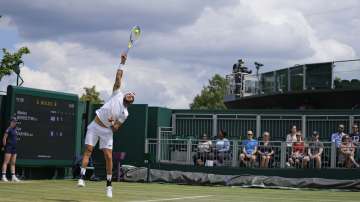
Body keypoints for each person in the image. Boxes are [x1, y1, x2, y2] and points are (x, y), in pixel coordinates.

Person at [77, 53, 135, 198]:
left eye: (132, 97)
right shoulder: (117, 93)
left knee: (108, 157)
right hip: (95, 125)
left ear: (131, 102)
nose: (130, 96)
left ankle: (109, 186)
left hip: (107, 131)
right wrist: (122, 63)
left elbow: (116, 128)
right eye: (129, 94)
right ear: (125, 94)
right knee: (88, 150)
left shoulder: (125, 114)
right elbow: (118, 77)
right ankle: (81, 178)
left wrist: (111, 123)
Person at [1, 117, 20, 182]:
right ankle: (3, 176)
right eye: (14, 121)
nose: (15, 123)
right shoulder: (8, 129)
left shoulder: (15, 129)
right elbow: (4, 138)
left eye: (16, 122)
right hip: (8, 147)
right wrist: (4, 146)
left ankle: (13, 176)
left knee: (13, 162)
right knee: (6, 162)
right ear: (11, 122)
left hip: (14, 147)